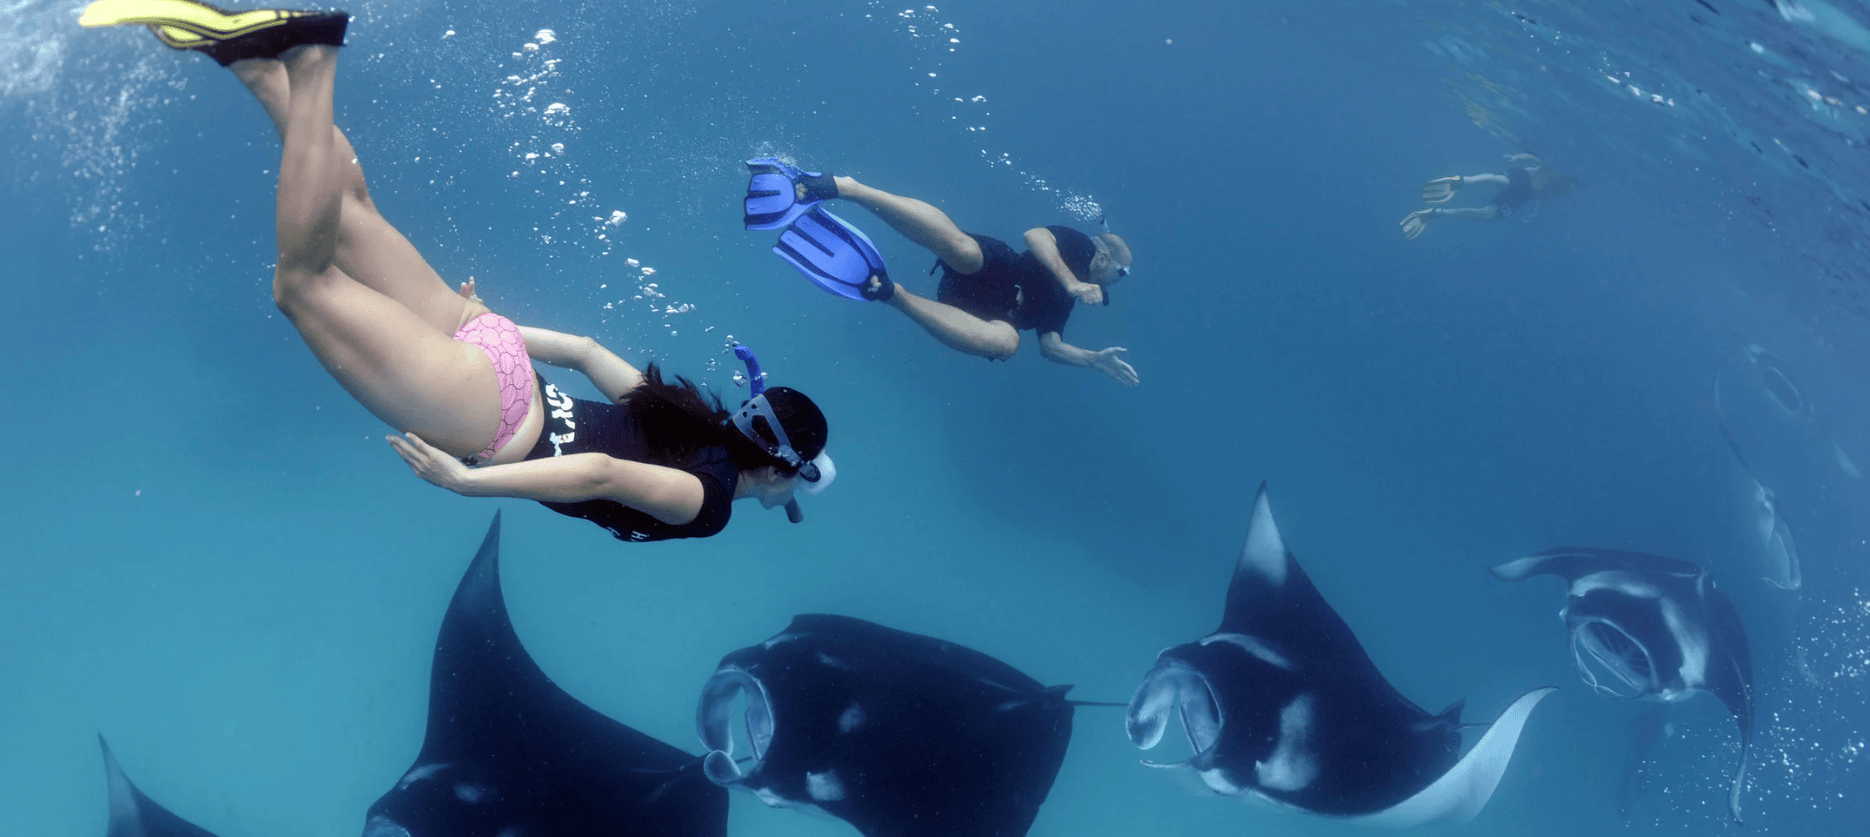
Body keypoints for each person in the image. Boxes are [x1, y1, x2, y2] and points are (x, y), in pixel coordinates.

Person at [78, 0, 833, 542]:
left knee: (352, 213)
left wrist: (484, 325)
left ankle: (251, 63)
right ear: (783, 471)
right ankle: (311, 61)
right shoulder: (711, 504)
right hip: (493, 421)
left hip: (496, 354)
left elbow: (576, 350)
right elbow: (600, 473)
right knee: (302, 286)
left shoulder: (688, 413)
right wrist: (471, 483)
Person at [742, 160, 1138, 387]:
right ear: (1105, 259)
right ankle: (843, 187)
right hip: (998, 268)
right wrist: (1071, 279)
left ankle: (888, 292)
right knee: (964, 250)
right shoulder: (1082, 249)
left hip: (976, 311)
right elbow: (1035, 236)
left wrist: (1092, 359)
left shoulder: (1068, 301)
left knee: (1009, 343)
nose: (1115, 283)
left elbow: (1050, 346)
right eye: (1122, 274)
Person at [1399, 153, 1575, 239]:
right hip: (1524, 185)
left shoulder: (1559, 186)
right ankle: (1445, 202)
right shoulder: (1557, 167)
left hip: (1523, 192)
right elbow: (1537, 159)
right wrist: (1515, 158)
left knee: (1490, 206)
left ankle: (1449, 196)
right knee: (1498, 187)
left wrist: (1536, 214)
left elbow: (1544, 198)